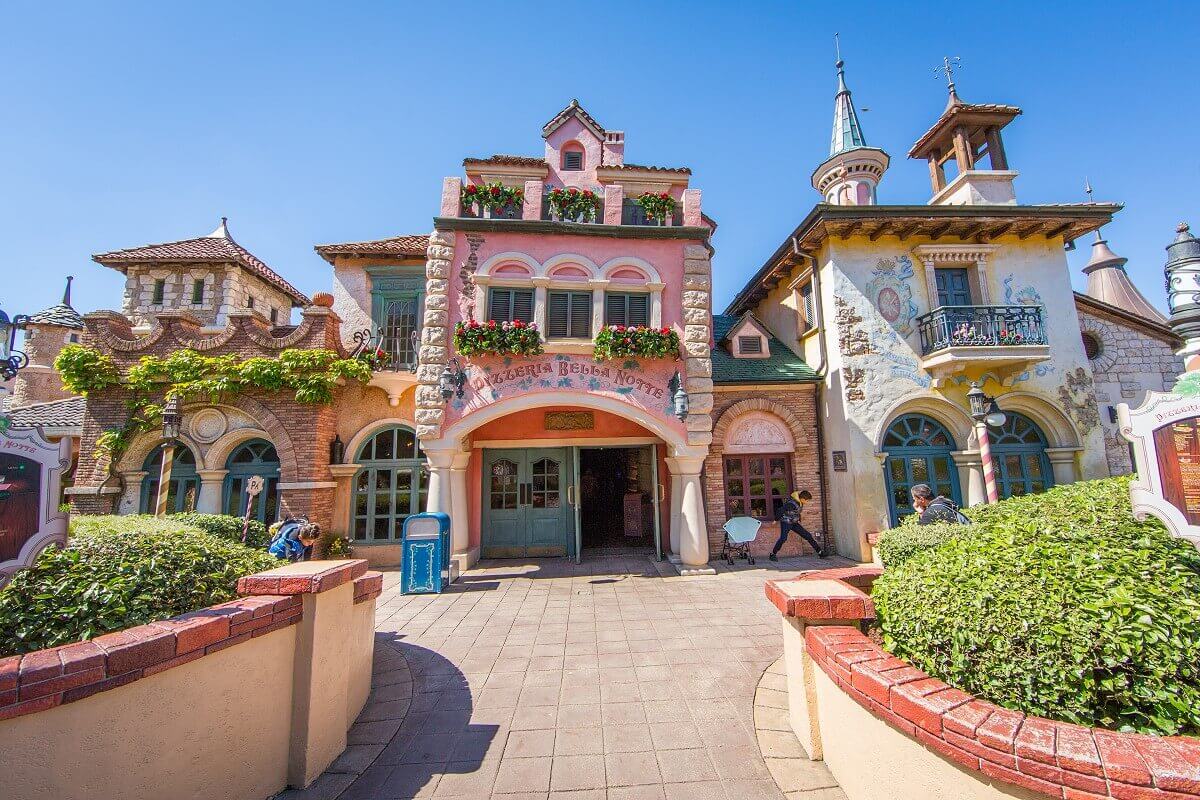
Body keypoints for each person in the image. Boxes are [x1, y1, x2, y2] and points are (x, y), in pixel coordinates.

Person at [769, 490, 825, 561]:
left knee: (807, 535)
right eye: (807, 501)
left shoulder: (800, 502)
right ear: (802, 499)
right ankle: (773, 554)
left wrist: (798, 519)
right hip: (786, 522)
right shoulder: (791, 503)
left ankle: (820, 552)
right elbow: (780, 510)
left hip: (794, 523)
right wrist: (775, 520)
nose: (807, 502)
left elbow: (796, 511)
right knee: (783, 538)